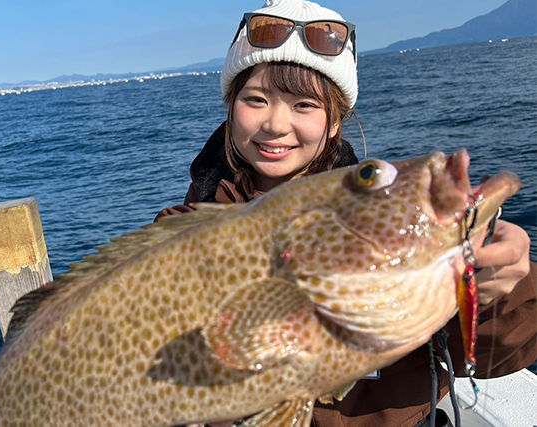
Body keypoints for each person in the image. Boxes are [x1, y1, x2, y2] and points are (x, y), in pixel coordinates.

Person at [156, 0, 537, 426]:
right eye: (256, 99)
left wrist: (498, 293)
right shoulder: (178, 233)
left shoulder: (388, 221)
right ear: (231, 107)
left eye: (305, 105)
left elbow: (495, 354)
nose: (276, 124)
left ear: (335, 120)